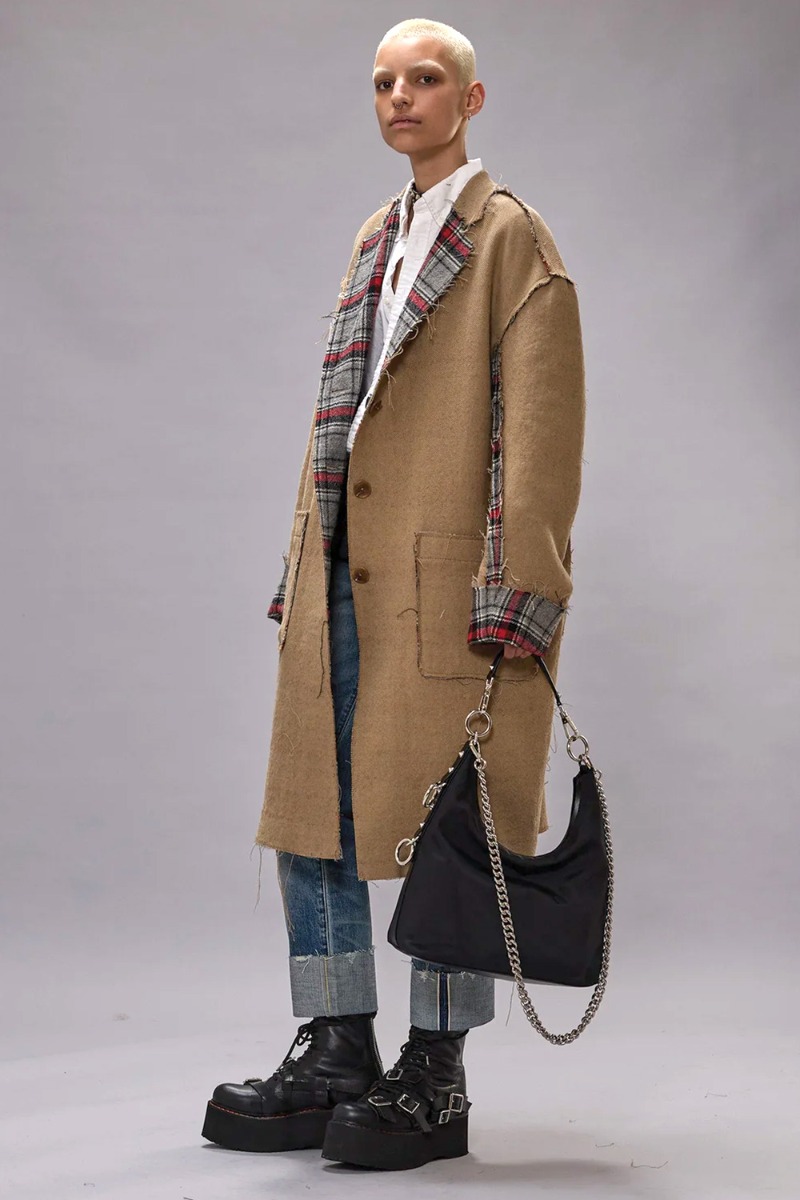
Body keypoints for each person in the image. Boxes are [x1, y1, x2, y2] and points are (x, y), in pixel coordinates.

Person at [202, 16, 586, 1171]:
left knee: (447, 822)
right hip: (342, 567)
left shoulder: (510, 236)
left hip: (448, 580)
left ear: (471, 100)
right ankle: (335, 1046)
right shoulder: (376, 235)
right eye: (383, 82)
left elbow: (541, 432)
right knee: (312, 811)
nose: (400, 97)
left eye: (424, 78)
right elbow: (338, 418)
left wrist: (518, 592)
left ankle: (434, 1068)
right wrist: (299, 562)